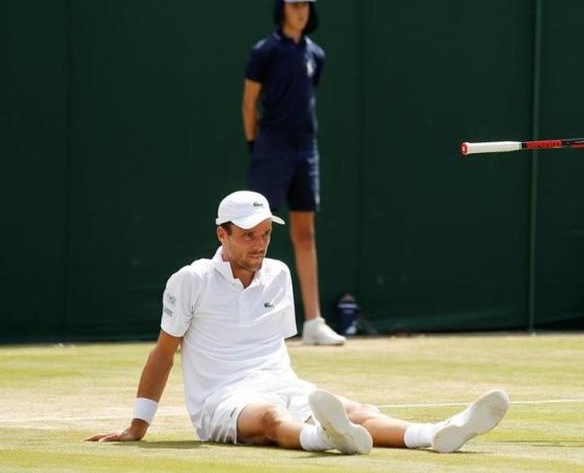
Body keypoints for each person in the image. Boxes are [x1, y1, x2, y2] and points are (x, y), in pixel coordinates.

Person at [85, 191, 509, 454]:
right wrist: (138, 426)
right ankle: (325, 439)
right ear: (222, 234)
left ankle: (436, 433)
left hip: (281, 382)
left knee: (353, 409)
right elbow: (163, 354)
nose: (260, 243)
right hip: (220, 400)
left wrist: (297, 396)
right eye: (248, 234)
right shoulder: (191, 279)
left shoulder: (280, 273)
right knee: (270, 417)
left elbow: (274, 353)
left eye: (266, 233)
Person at [242, 0, 344, 345]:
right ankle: (241, 320)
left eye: (305, 5)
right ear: (281, 9)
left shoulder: (316, 54)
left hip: (306, 150)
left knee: (305, 233)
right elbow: (249, 103)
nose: (301, 10)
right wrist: (256, 146)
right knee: (252, 231)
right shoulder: (264, 52)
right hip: (271, 148)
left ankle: (314, 322)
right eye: (294, 4)